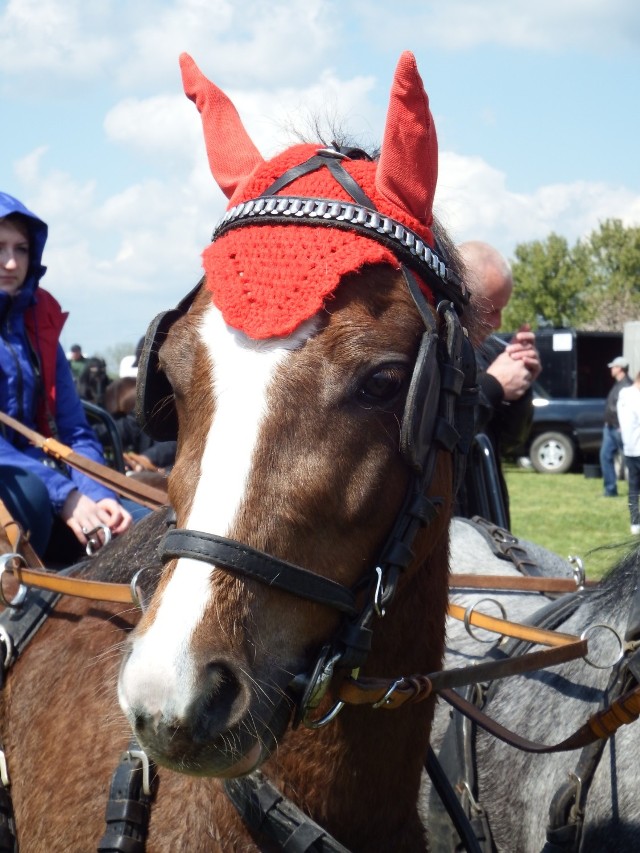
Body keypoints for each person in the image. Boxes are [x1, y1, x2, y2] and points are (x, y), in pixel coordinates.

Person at [0, 191, 133, 558]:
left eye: (21, 249)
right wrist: (66, 496)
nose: (11, 263)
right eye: (0, 247)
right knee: (30, 495)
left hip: (45, 470)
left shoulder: (40, 327)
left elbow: (75, 431)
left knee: (138, 522)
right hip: (25, 485)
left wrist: (97, 493)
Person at [458, 240, 542, 528]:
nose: (499, 322)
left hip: (490, 522)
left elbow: (510, 442)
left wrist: (521, 385)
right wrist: (494, 386)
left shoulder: (489, 352)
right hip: (449, 531)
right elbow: (441, 436)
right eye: (492, 309)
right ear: (459, 295)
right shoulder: (425, 350)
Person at [600, 356, 632, 497]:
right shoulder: (617, 384)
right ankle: (610, 490)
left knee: (631, 459)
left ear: (620, 368)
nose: (611, 369)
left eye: (613, 367)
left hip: (620, 429)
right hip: (610, 428)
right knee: (605, 456)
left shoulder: (627, 386)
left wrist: (622, 426)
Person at [617, 371, 640, 535]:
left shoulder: (623, 394)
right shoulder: (636, 398)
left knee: (633, 488)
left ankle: (634, 523)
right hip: (638, 447)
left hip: (628, 448)